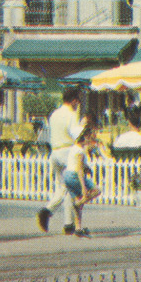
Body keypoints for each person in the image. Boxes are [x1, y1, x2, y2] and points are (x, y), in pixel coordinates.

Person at [36, 85, 89, 234]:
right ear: (73, 100)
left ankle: (67, 223)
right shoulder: (71, 115)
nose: (78, 103)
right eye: (77, 101)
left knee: (62, 187)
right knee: (71, 187)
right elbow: (76, 134)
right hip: (67, 151)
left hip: (55, 152)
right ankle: (50, 212)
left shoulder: (54, 114)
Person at [62, 126, 104, 238]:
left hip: (67, 176)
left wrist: (87, 168)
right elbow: (79, 170)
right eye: (89, 138)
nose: (90, 140)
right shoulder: (80, 151)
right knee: (97, 191)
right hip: (75, 176)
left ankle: (78, 228)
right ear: (84, 137)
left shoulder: (74, 148)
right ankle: (77, 204)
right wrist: (84, 188)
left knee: (79, 201)